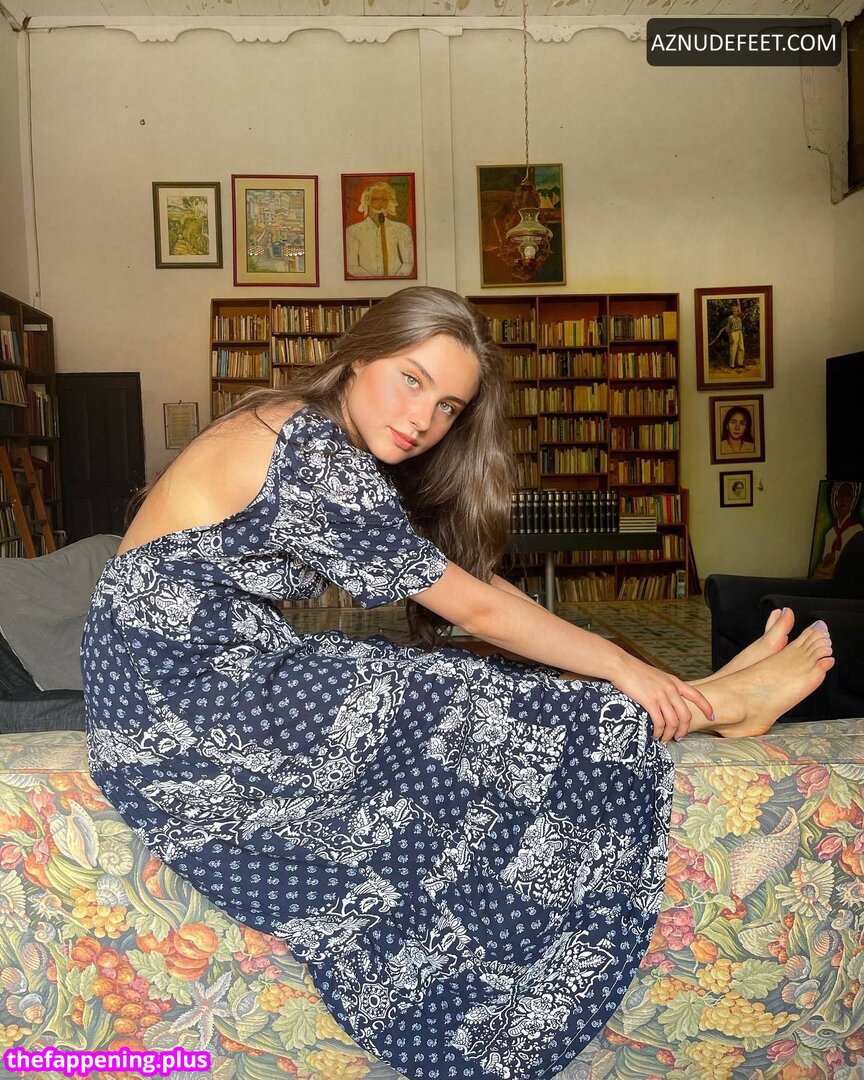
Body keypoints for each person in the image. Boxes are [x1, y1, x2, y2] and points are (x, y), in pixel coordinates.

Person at [81, 287, 833, 1080]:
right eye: (411, 380)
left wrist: (649, 675)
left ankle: (696, 698)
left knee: (451, 684)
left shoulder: (305, 428)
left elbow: (466, 581)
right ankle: (714, 705)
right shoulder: (308, 450)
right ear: (360, 357)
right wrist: (624, 664)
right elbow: (474, 608)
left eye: (447, 406)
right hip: (177, 693)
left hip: (196, 672)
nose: (422, 419)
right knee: (447, 700)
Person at [345, 180, 415, 278]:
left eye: (384, 199)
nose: (379, 203)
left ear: (390, 202)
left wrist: (394, 280)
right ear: (367, 201)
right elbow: (352, 267)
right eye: (374, 199)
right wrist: (374, 281)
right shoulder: (353, 231)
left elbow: (408, 263)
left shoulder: (402, 229)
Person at [814, 479, 864, 579]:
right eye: (840, 494)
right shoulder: (830, 534)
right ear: (835, 498)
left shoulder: (858, 531)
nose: (843, 499)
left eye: (847, 494)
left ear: (853, 499)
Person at [708, 300, 746, 369]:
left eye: (737, 311)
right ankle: (732, 364)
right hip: (733, 332)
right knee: (733, 348)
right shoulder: (730, 318)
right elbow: (728, 328)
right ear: (733, 311)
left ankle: (740, 363)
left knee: (741, 348)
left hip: (739, 332)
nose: (735, 312)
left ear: (738, 312)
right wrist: (730, 336)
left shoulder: (739, 318)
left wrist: (740, 332)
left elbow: (740, 326)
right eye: (734, 311)